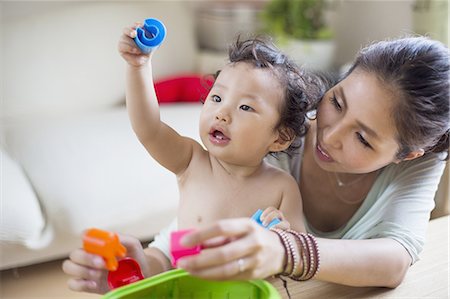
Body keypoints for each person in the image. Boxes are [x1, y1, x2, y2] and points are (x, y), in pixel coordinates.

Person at [62, 23, 325, 293]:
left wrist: (281, 238)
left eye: (245, 107)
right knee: (151, 263)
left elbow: (299, 251)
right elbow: (148, 129)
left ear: (280, 138)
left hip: (238, 289)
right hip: (178, 271)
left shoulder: (281, 187)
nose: (222, 113)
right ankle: (130, 273)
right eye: (217, 97)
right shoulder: (192, 160)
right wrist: (139, 67)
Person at [172, 36, 450, 287]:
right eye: (337, 103)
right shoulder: (280, 129)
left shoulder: (420, 162)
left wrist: (288, 250)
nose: (329, 135)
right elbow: (205, 204)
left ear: (407, 155)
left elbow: (394, 260)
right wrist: (153, 258)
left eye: (363, 138)